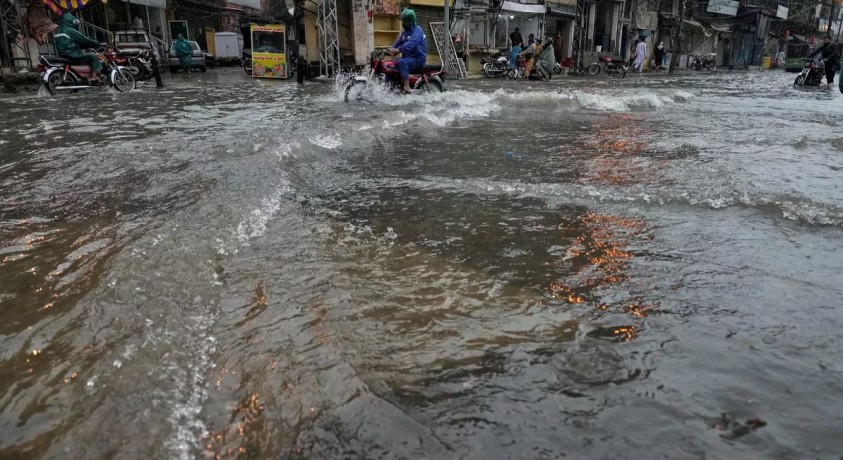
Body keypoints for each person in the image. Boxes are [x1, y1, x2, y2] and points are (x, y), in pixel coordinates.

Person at [54, 12, 103, 83]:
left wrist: (85, 46)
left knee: (86, 56)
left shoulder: (58, 31)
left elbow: (69, 43)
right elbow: (85, 40)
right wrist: (98, 44)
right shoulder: (70, 30)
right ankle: (94, 77)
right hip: (72, 54)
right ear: (70, 21)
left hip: (63, 54)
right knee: (94, 56)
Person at [388, 9, 426, 93]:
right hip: (408, 58)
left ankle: (406, 86)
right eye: (402, 20)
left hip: (418, 59)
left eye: (404, 20)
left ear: (410, 20)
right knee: (390, 65)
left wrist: (399, 49)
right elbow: (398, 42)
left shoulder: (417, 31)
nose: (403, 23)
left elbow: (412, 43)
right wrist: (391, 49)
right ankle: (390, 85)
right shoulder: (405, 33)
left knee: (402, 62)